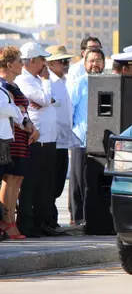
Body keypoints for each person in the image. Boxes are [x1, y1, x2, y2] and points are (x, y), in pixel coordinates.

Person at [14, 42, 61, 237]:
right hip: (35, 141)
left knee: (45, 185)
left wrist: (45, 95)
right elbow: (44, 99)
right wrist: (46, 81)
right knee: (31, 185)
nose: (45, 64)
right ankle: (27, 224)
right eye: (43, 59)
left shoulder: (36, 80)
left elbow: (50, 100)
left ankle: (42, 222)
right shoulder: (24, 80)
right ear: (32, 61)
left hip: (48, 141)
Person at [67, 47, 105, 227]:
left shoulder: (109, 83)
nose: (95, 64)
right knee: (79, 183)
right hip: (80, 140)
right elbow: (69, 111)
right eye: (91, 61)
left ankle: (96, 219)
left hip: (102, 143)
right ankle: (79, 218)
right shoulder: (79, 83)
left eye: (98, 60)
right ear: (85, 63)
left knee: (96, 183)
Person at [44, 45, 78, 229]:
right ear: (52, 63)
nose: (66, 64)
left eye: (67, 61)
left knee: (57, 183)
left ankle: (51, 220)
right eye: (63, 61)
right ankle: (47, 220)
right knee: (50, 184)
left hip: (63, 141)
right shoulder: (47, 82)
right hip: (51, 140)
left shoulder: (63, 82)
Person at [0, 46, 30, 239]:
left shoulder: (13, 86)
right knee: (9, 180)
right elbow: (9, 109)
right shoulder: (3, 86)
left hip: (18, 135)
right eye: (20, 61)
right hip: (10, 138)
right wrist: (16, 109)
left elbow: (20, 111)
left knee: (16, 180)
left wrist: (19, 112)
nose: (23, 64)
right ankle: (7, 220)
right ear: (10, 65)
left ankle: (9, 219)